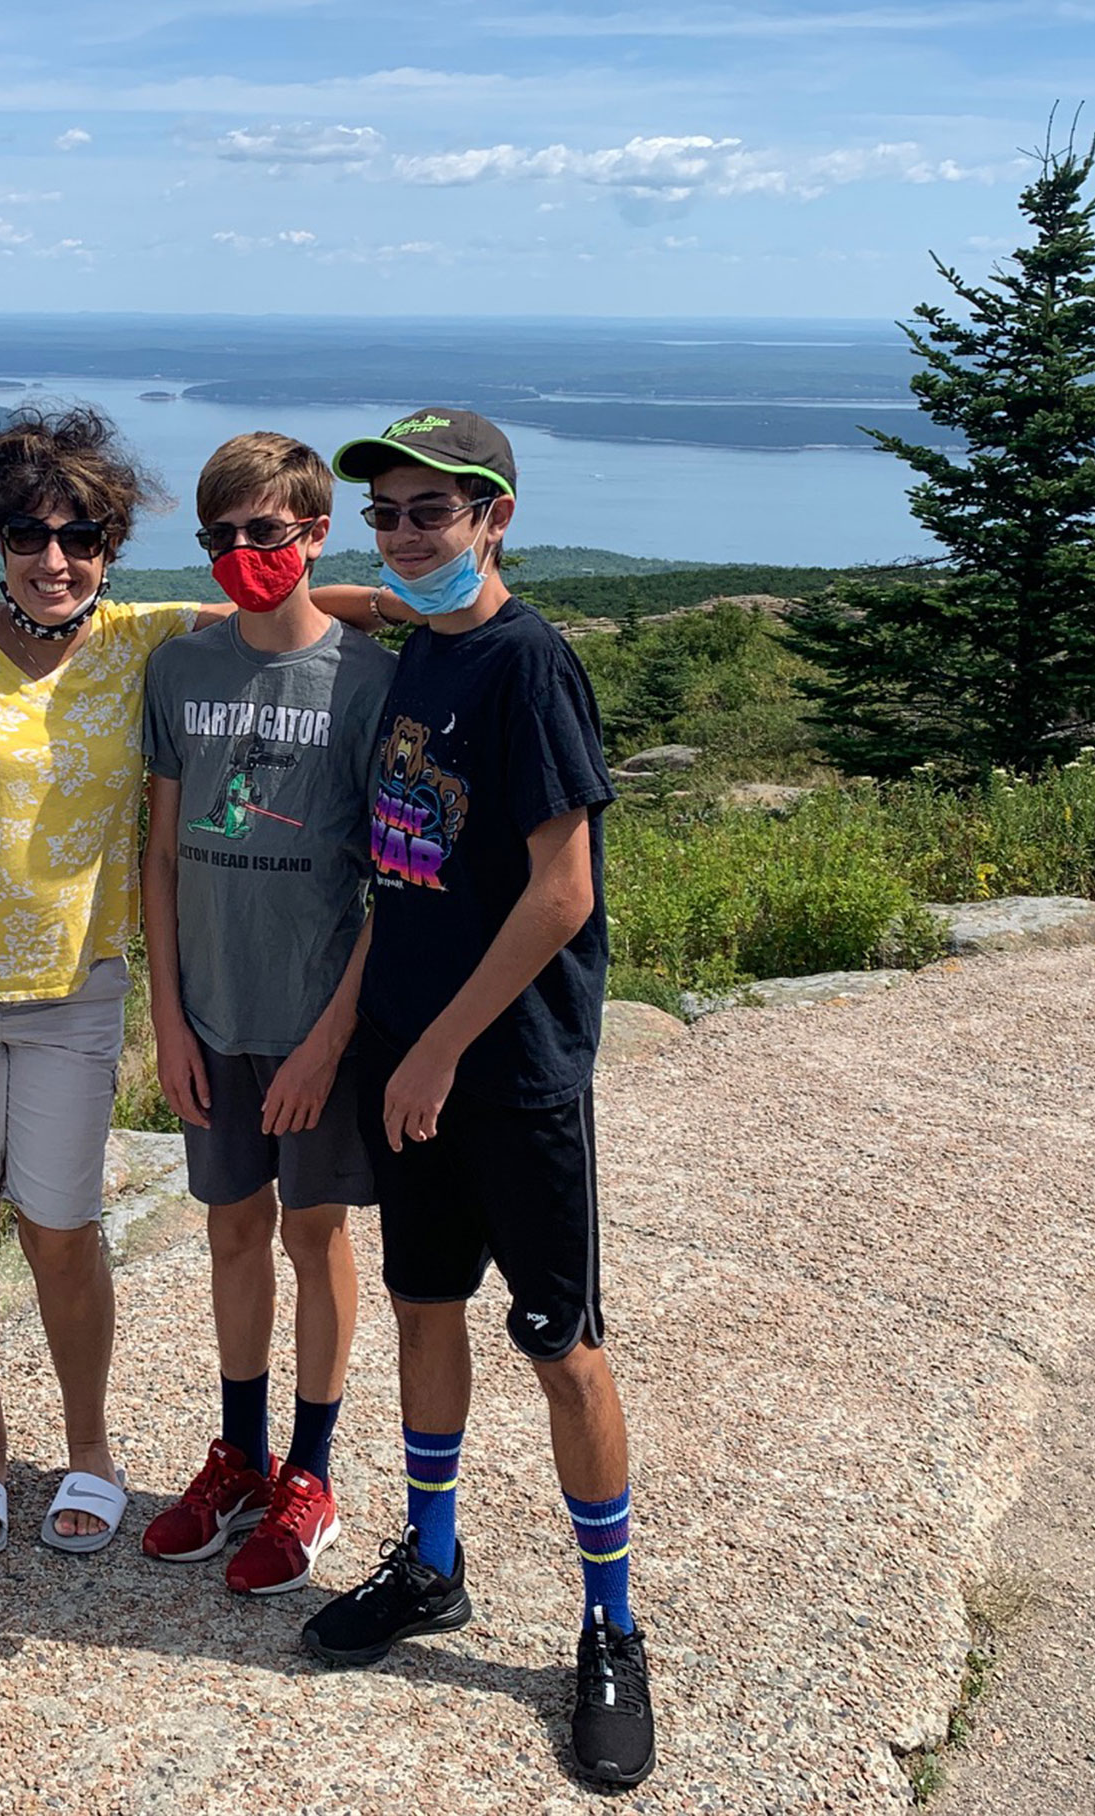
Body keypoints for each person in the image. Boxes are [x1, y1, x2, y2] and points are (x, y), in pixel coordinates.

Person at [0, 404, 385, 1558]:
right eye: (30, 536)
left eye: (83, 537)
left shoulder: (144, 640)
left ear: (111, 546)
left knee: (63, 1226)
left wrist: (416, 607)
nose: (56, 561)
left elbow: (280, 609)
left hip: (71, 992)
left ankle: (89, 1449)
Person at [293, 409, 657, 1792]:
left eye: (434, 512)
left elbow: (561, 891)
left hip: (506, 1072)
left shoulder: (529, 666)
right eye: (384, 511)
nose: (404, 533)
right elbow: (408, 873)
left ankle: (612, 1624)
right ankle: (433, 1561)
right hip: (410, 1055)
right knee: (423, 1307)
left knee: (562, 1347)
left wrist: (439, 1047)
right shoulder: (422, 650)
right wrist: (355, 588)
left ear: (498, 515)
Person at [136, 432, 394, 1595]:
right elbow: (159, 857)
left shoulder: (373, 684)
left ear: (313, 533)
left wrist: (331, 1038)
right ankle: (238, 1457)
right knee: (231, 1227)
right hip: (212, 1013)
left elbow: (396, 884)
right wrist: (170, 1021)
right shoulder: (180, 671)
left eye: (268, 534)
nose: (245, 554)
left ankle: (312, 1475)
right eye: (222, 537)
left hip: (314, 1020)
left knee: (315, 1232)